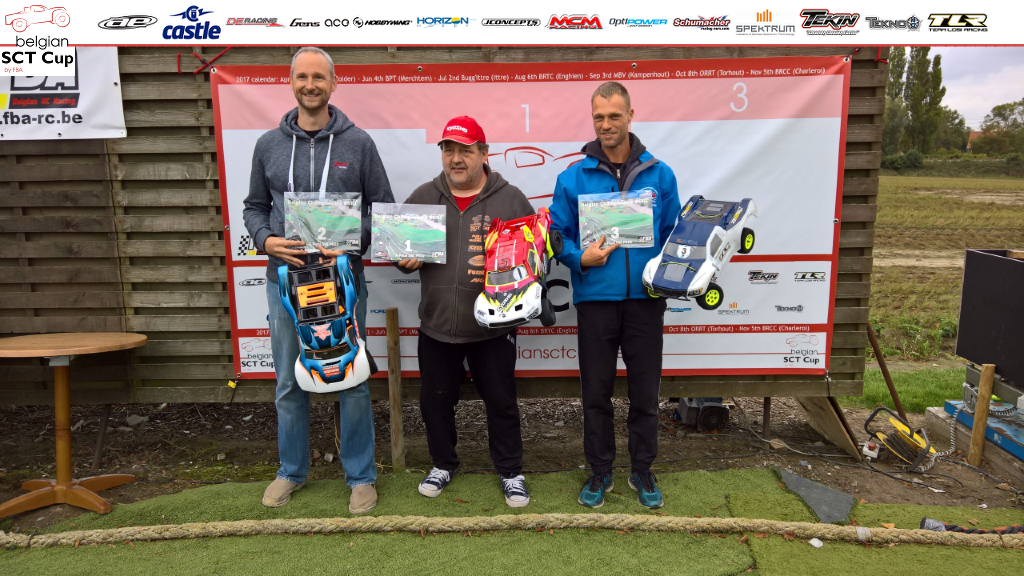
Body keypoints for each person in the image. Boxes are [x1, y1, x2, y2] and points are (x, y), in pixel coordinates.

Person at [243, 47, 395, 513]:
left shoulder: (359, 143)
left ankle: (361, 476)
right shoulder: (268, 144)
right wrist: (266, 240)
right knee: (290, 381)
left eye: (319, 77)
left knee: (350, 375)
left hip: (342, 280)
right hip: (286, 284)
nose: (310, 85)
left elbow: (382, 211)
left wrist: (351, 243)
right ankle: (291, 470)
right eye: (302, 77)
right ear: (291, 82)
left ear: (333, 83)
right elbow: (253, 207)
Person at [549, 82, 682, 509]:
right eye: (599, 117)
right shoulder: (573, 177)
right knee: (596, 395)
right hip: (596, 303)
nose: (606, 124)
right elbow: (556, 233)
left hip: (645, 301)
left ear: (630, 116)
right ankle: (599, 470)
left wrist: (665, 273)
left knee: (645, 394)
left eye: (614, 116)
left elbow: (674, 234)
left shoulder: (660, 174)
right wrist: (579, 258)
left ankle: (642, 470)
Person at [396, 116, 535, 508]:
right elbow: (399, 250)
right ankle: (443, 463)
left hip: (494, 327)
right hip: (437, 325)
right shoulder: (424, 196)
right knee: (435, 402)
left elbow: (535, 255)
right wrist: (401, 261)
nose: (456, 159)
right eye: (448, 150)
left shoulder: (511, 199)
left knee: (502, 402)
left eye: (465, 151)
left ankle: (511, 471)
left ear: (484, 153)